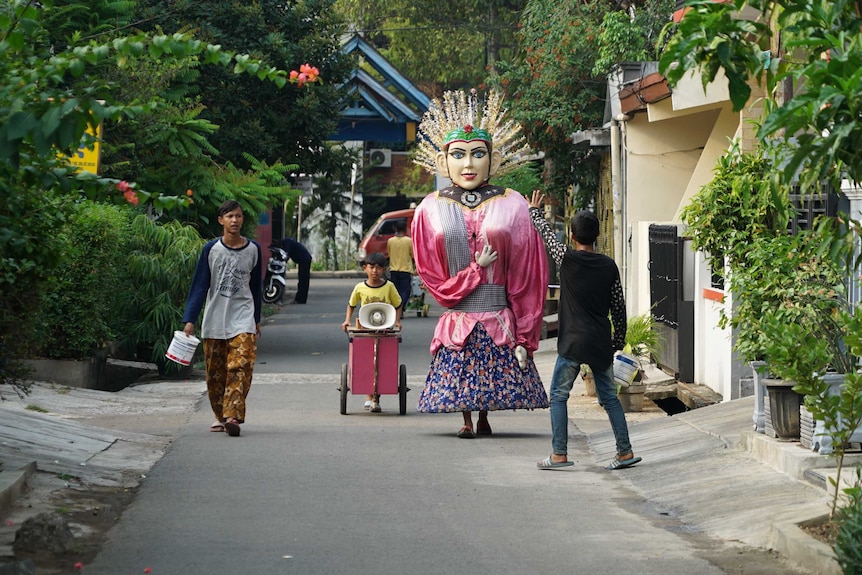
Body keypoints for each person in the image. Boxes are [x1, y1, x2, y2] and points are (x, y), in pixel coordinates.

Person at [411, 89, 549, 438]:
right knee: (461, 367)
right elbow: (432, 275)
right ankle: (466, 419)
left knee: (488, 369)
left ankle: (484, 416)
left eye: (477, 155)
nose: (468, 165)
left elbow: (526, 274)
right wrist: (473, 272)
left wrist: (525, 332)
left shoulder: (513, 204)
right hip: (459, 313)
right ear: (443, 163)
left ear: (494, 159)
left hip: (497, 312)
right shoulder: (428, 209)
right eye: (458, 155)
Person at [528, 191, 641, 471]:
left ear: (573, 235)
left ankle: (559, 455)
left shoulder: (566, 259)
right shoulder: (609, 266)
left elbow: (546, 236)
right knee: (610, 399)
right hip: (600, 341)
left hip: (572, 342)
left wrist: (534, 211)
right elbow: (618, 306)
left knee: (558, 396)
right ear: (597, 236)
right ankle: (624, 452)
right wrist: (618, 341)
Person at [182, 200, 262, 437]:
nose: (235, 220)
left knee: (240, 366)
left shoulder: (253, 250)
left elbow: (256, 288)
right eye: (230, 216)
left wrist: (256, 319)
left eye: (238, 216)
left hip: (243, 318)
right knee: (215, 372)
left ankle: (232, 416)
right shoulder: (211, 250)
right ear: (221, 220)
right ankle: (219, 415)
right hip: (215, 318)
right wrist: (190, 319)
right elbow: (199, 286)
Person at [341, 252, 403, 413]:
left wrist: (396, 321)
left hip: (384, 328)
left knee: (381, 362)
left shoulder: (389, 287)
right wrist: (347, 320)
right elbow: (351, 304)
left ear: (384, 270)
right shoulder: (360, 287)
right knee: (368, 361)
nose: (375, 271)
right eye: (371, 267)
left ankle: (376, 398)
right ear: (365, 268)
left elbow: (398, 304)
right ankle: (369, 397)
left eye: (378, 268)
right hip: (365, 329)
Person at [386, 219, 414, 313]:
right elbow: (413, 255)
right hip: (405, 269)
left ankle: (396, 308)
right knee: (405, 291)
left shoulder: (390, 241)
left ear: (395, 229)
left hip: (393, 269)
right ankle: (401, 308)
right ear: (405, 229)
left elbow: (389, 254)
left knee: (395, 291)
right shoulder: (409, 241)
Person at [281, 236, 312, 304]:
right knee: (304, 280)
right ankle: (301, 299)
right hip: (305, 259)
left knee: (302, 280)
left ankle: (300, 299)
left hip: (304, 260)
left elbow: (286, 253)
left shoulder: (286, 242)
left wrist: (283, 260)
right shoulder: (289, 241)